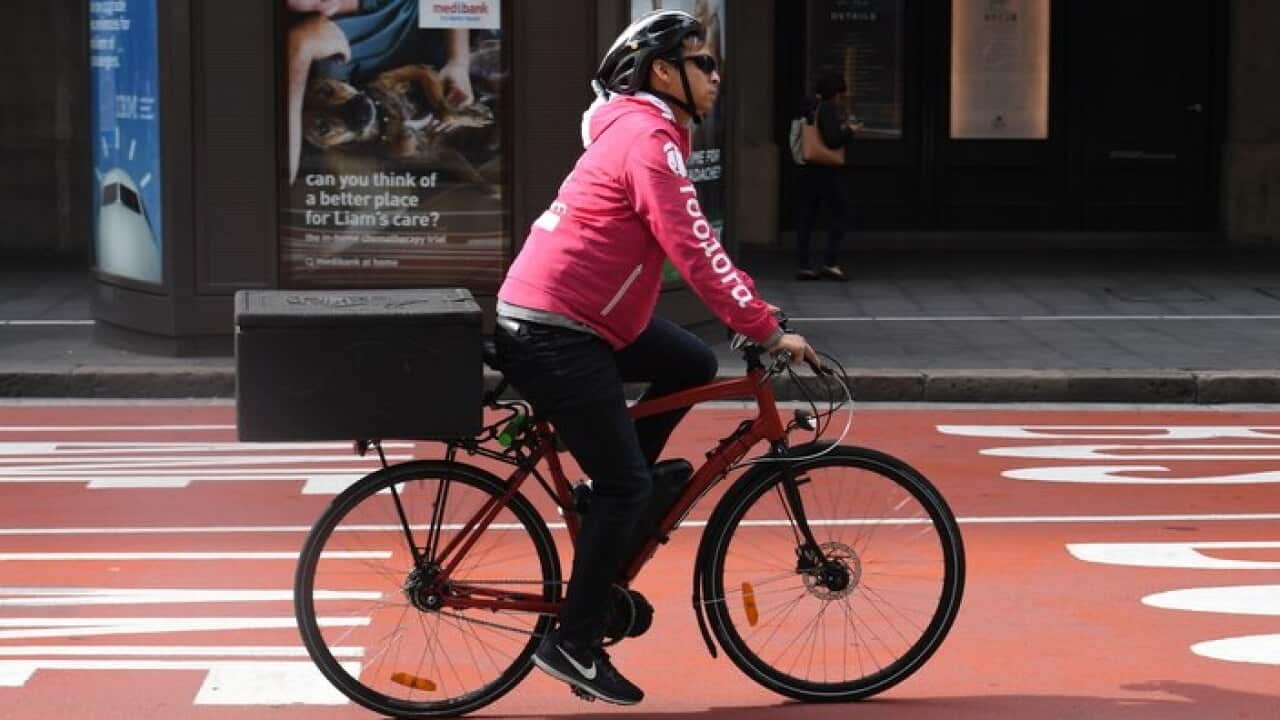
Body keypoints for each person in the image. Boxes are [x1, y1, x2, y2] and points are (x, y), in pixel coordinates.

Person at [492, 9, 818, 706]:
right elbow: (693, 246)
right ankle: (573, 645)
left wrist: (750, 316)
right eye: (704, 63)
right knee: (626, 489)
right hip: (557, 329)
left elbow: (693, 245)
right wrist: (763, 327)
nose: (716, 76)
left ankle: (617, 495)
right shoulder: (648, 139)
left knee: (691, 365)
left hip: (578, 319)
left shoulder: (644, 130)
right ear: (663, 72)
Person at [284, 0, 476, 184]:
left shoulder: (329, 50)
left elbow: (302, 41)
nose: (343, 108)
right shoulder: (336, 63)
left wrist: (459, 61)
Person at [794, 72, 862, 282]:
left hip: (808, 168)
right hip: (826, 170)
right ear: (835, 93)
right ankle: (830, 263)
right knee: (841, 213)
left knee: (807, 216)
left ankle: (804, 265)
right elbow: (832, 140)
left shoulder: (810, 106)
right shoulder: (828, 109)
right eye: (841, 94)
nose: (841, 98)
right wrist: (850, 131)